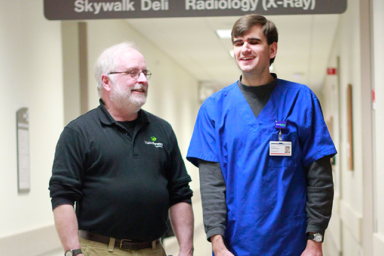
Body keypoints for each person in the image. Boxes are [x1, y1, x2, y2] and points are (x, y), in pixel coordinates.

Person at [187, 14, 336, 256]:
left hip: (293, 244)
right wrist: (217, 242)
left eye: (253, 42)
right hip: (235, 245)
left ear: (272, 49)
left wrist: (315, 239)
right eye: (238, 43)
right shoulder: (214, 109)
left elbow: (319, 176)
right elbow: (211, 183)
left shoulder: (301, 99)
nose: (244, 49)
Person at [49, 42, 194, 256]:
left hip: (154, 250)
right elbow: (62, 195)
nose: (143, 80)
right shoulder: (79, 132)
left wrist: (186, 248)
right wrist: (73, 252)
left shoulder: (162, 130)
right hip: (100, 250)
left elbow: (180, 192)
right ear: (106, 81)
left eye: (145, 73)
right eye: (133, 73)